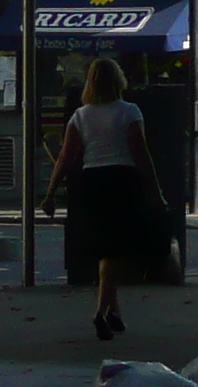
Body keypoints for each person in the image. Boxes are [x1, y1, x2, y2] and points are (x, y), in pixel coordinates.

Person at [42, 58, 168, 341]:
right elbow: (141, 153)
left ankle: (115, 312)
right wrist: (155, 190)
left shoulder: (80, 116)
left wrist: (50, 193)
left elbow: (66, 156)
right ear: (118, 80)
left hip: (92, 182)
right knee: (115, 250)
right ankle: (100, 312)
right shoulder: (129, 112)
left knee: (106, 248)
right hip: (122, 180)